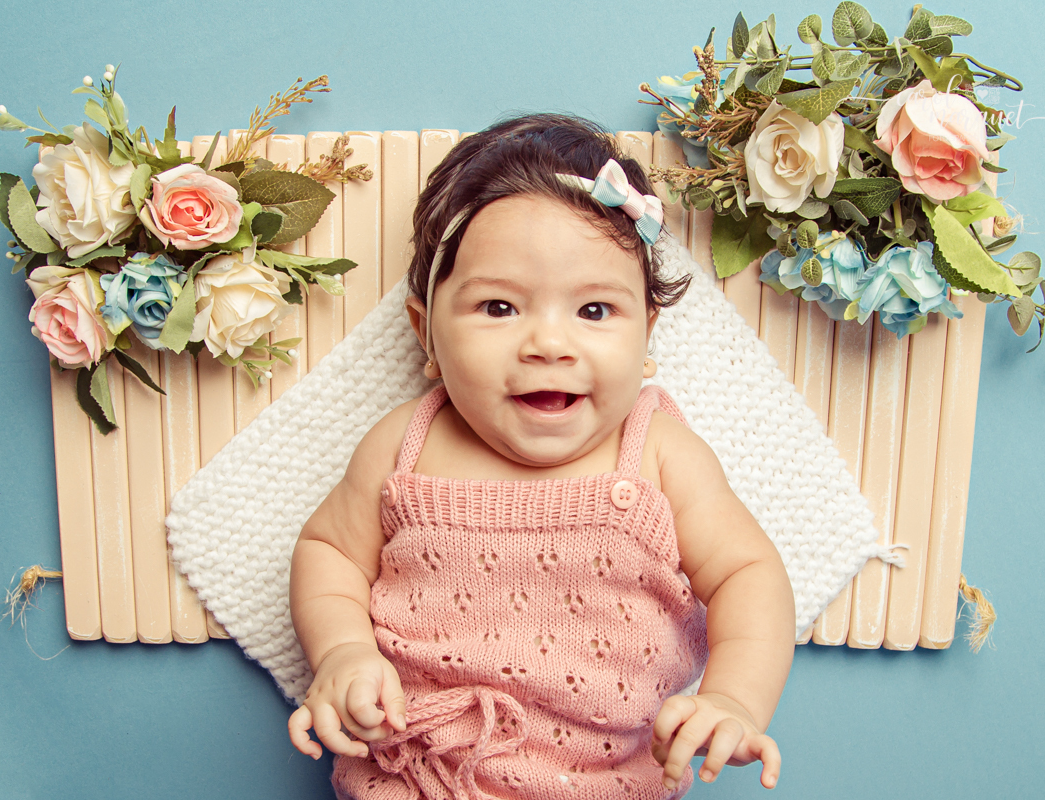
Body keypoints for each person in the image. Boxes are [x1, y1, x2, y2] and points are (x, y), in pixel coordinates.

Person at [286, 113, 795, 799]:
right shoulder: (407, 444)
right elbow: (330, 552)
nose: (548, 344)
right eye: (498, 308)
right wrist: (343, 651)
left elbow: (748, 574)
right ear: (425, 332)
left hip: (607, 783)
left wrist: (734, 700)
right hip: (416, 775)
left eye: (593, 312)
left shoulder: (655, 454)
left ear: (649, 331)